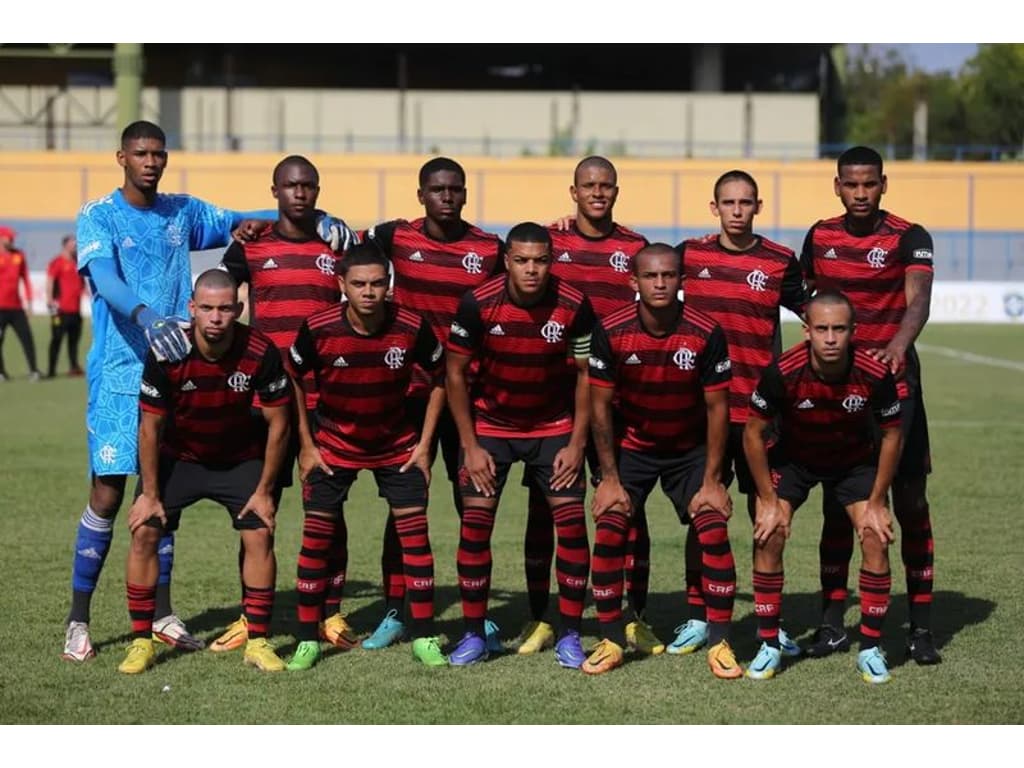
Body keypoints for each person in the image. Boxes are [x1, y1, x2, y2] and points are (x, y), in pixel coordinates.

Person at [63, 119, 344, 662]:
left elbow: (250, 223)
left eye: (159, 154)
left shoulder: (184, 212)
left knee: (163, 495)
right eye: (141, 153)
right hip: (123, 373)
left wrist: (321, 219)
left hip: (179, 374)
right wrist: (147, 317)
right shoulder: (99, 215)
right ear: (121, 157)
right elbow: (105, 277)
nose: (151, 162)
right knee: (110, 493)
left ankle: (162, 614)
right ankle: (78, 619)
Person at [799, 145, 941, 665]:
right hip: (839, 397)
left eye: (870, 184)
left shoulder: (908, 236)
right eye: (851, 184)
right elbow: (803, 295)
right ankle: (832, 624)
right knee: (840, 506)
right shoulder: (820, 236)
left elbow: (918, 298)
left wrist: (899, 345)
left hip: (897, 391)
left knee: (910, 505)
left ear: (884, 184)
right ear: (837, 186)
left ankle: (920, 629)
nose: (861, 193)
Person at [214, 154, 359, 655]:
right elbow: (218, 298)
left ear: (317, 191)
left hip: (325, 398)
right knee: (257, 506)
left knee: (327, 508)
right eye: (290, 186)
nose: (299, 193)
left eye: (308, 186)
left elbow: (373, 274)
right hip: (263, 400)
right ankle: (250, 615)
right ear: (274, 191)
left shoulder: (337, 243)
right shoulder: (251, 247)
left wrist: (341, 228)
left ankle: (331, 613)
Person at [517, 155, 658, 658]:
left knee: (628, 508)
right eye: (588, 186)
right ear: (573, 192)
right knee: (547, 507)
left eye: (606, 186)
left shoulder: (634, 247)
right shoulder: (551, 244)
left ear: (616, 191)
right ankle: (543, 618)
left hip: (625, 397)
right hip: (561, 398)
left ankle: (632, 616)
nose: (598, 193)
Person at [362, 156, 505, 651]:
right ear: (421, 194)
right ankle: (395, 610)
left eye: (455, 189)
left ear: (465, 194)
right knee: (405, 505)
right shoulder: (394, 237)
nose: (447, 196)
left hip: (471, 397)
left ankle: (475, 613)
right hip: (410, 396)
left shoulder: (489, 248)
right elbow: (337, 242)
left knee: (475, 506)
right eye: (437, 189)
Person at [119, 270, 291, 674]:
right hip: (180, 458)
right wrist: (149, 492)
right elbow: (150, 427)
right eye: (208, 308)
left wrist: (265, 490)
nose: (216, 317)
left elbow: (279, 424)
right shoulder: (168, 352)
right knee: (144, 530)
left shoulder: (260, 350)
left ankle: (259, 641)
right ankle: (142, 640)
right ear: (192, 309)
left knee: (260, 531)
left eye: (225, 308)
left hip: (239, 459)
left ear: (239, 309)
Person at [283, 244, 446, 671]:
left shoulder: (411, 326)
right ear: (341, 285)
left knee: (417, 542)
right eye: (359, 284)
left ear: (389, 285)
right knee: (315, 541)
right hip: (333, 447)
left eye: (377, 283)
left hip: (398, 447)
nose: (369, 292)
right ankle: (306, 639)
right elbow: (295, 379)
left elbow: (441, 378)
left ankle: (426, 635)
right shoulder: (318, 328)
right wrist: (306, 443)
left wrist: (425, 445)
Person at [583, 243, 740, 678]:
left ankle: (720, 641)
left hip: (689, 450)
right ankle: (612, 638)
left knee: (713, 524)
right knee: (612, 523)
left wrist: (711, 479)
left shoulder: (706, 331)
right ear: (633, 281)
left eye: (668, 276)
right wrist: (609, 478)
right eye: (650, 276)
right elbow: (600, 409)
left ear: (682, 281)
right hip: (633, 447)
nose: (659, 283)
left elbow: (717, 411)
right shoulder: (611, 330)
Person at [670, 170, 807, 658]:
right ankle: (697, 615)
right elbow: (639, 278)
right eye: (728, 202)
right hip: (702, 410)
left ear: (757, 206)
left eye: (745, 202)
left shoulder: (778, 261)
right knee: (701, 513)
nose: (736, 210)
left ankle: (770, 620)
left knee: (765, 515)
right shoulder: (688, 256)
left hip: (759, 412)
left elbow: (816, 312)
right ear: (714, 207)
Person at [445, 221, 594, 668]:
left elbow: (588, 374)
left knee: (570, 527)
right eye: (523, 260)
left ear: (552, 261)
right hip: (491, 427)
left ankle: (569, 634)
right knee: (476, 525)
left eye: (541, 261)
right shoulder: (477, 303)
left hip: (554, 429)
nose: (532, 270)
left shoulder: (574, 304)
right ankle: (473, 634)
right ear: (507, 260)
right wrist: (470, 446)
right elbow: (454, 374)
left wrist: (577, 442)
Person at [744, 291, 902, 683]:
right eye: (822, 329)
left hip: (852, 462)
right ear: (807, 331)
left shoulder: (873, 372)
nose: (830, 338)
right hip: (795, 459)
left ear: (853, 331)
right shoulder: (783, 371)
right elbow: (752, 433)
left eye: (839, 329)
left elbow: (893, 435)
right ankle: (768, 644)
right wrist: (767, 500)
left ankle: (869, 647)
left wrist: (879, 501)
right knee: (770, 533)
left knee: (875, 534)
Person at [0, 225, 42, 382]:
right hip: (0, 308)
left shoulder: (19, 256)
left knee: (27, 338)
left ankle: (33, 370)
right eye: (9, 237)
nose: (12, 240)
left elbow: (26, 280)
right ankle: (1, 372)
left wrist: (30, 303)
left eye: (12, 237)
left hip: (16, 308)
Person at [45, 235, 86, 378]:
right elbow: (50, 280)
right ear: (66, 245)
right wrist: (49, 299)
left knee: (74, 341)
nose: (76, 246)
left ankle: (74, 367)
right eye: (73, 244)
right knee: (56, 339)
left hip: (75, 310)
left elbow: (81, 283)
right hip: (60, 310)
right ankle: (51, 370)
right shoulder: (57, 262)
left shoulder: (77, 262)